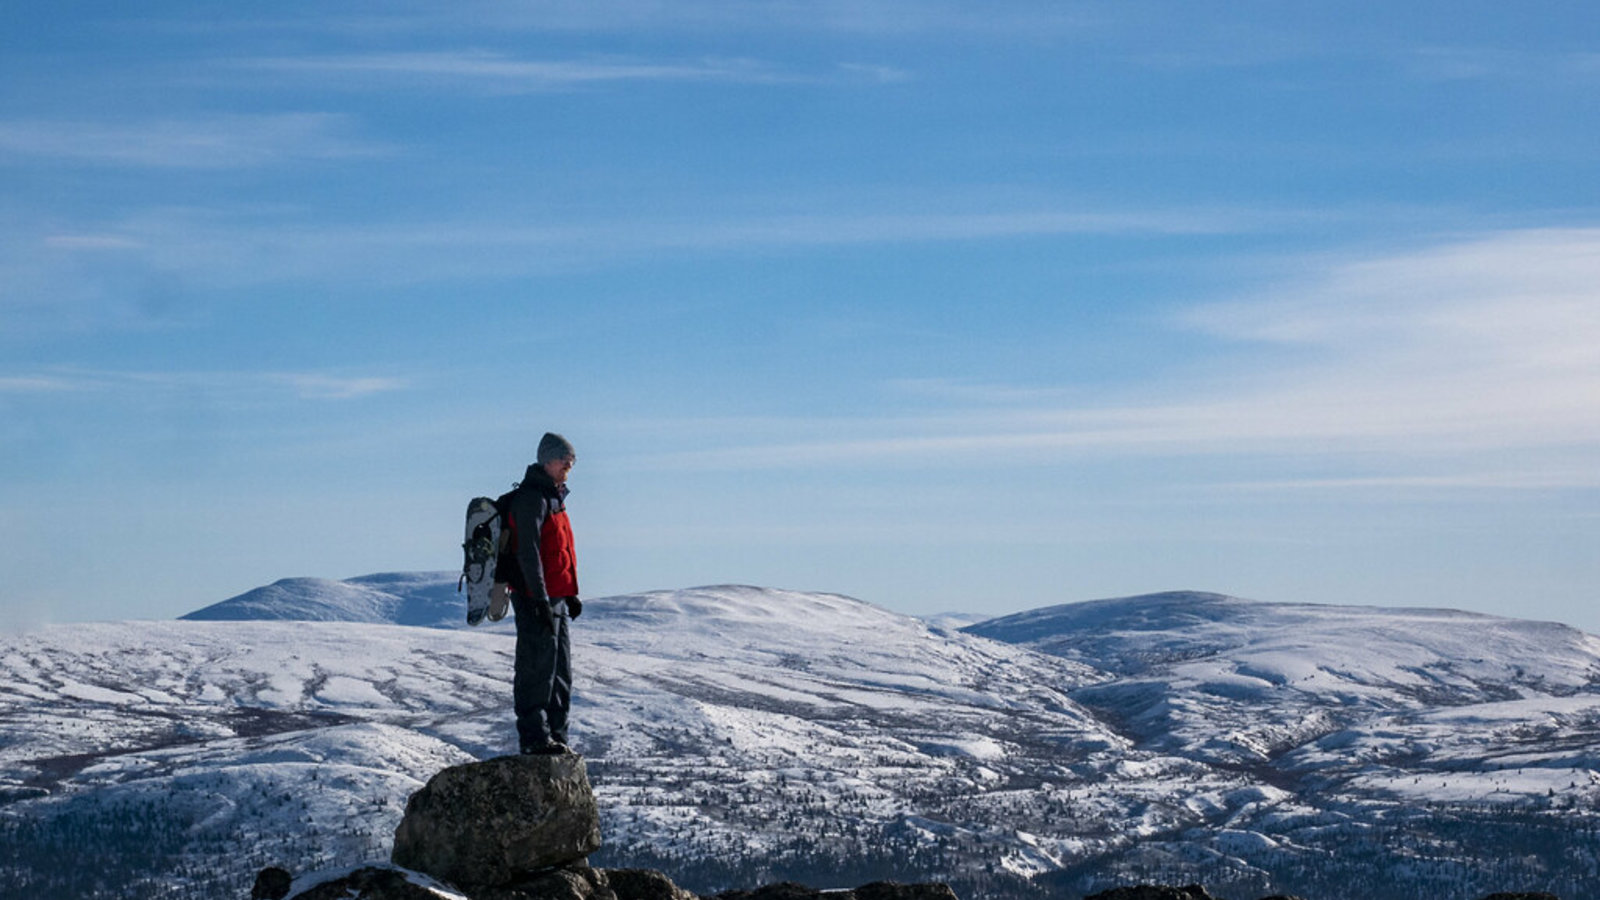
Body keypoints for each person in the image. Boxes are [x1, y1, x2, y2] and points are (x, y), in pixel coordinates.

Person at [496, 432, 582, 755]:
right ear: (547, 460)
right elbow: (528, 553)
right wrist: (540, 598)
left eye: (571, 462)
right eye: (564, 461)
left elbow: (560, 552)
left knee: (560, 672)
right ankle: (534, 738)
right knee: (537, 667)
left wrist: (570, 593)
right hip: (536, 598)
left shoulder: (555, 499)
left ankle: (557, 736)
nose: (569, 468)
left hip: (556, 598)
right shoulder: (532, 498)